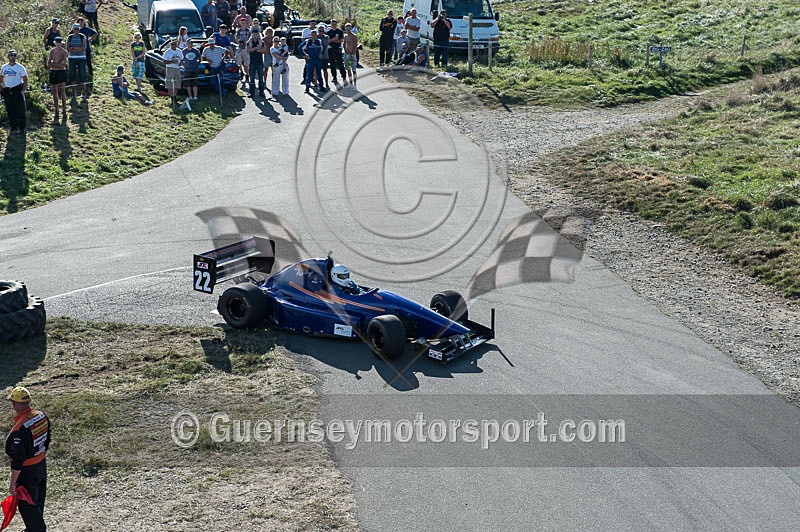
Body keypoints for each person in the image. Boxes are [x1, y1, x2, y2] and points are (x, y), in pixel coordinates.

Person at [5, 387, 51, 532]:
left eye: (13, 402)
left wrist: (12, 485)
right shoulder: (41, 416)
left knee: (29, 507)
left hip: (27, 474)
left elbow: (17, 462)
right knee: (37, 504)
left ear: (16, 404)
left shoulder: (19, 429)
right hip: (41, 467)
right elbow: (47, 440)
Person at [1, 51, 28, 132]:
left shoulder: (20, 67)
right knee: (10, 109)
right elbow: (1, 78)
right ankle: (13, 126)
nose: (12, 57)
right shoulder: (4, 67)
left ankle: (22, 127)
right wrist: (2, 88)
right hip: (7, 89)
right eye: (11, 55)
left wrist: (23, 89)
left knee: (20, 109)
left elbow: (25, 78)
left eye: (14, 55)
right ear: (8, 56)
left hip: (17, 89)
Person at [47, 37, 68, 119]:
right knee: (54, 92)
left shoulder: (64, 52)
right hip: (54, 72)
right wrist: (56, 64)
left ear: (61, 43)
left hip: (61, 72)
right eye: (57, 42)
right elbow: (48, 64)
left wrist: (54, 63)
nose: (58, 44)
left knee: (62, 91)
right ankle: (56, 110)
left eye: (60, 42)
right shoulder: (52, 51)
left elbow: (63, 64)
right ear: (55, 42)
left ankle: (64, 110)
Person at [66, 23, 88, 99]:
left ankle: (84, 92)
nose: (76, 31)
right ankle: (73, 92)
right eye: (75, 29)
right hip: (72, 58)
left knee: (82, 75)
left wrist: (73, 48)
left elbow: (83, 48)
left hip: (81, 58)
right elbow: (68, 49)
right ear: (72, 29)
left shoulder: (83, 36)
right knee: (72, 75)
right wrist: (78, 48)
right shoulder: (70, 37)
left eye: (77, 29)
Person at [246, 27, 266, 97]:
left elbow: (263, 50)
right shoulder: (249, 42)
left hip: (260, 62)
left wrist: (254, 50)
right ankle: (252, 93)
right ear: (252, 34)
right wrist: (256, 48)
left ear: (258, 34)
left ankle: (261, 93)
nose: (255, 36)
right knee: (251, 78)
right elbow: (248, 50)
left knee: (261, 78)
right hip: (252, 62)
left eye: (256, 34)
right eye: (254, 34)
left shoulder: (261, 42)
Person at [163, 39, 183, 104]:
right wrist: (172, 61)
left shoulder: (179, 51)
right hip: (170, 68)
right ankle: (171, 97)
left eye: (175, 44)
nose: (174, 45)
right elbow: (164, 61)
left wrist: (181, 63)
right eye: (172, 44)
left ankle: (175, 96)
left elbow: (182, 59)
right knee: (169, 82)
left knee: (177, 82)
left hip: (177, 68)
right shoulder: (167, 52)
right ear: (170, 45)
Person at [327, 19, 345, 85]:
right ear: (331, 24)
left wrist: (333, 41)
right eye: (332, 24)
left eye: (335, 24)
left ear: (336, 24)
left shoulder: (340, 31)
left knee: (340, 63)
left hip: (338, 49)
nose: (333, 25)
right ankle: (334, 77)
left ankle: (344, 76)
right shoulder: (328, 32)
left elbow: (341, 40)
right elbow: (328, 41)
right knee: (332, 64)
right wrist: (333, 40)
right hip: (331, 49)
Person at [234, 16, 251, 83]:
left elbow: (250, 39)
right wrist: (239, 41)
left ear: (246, 23)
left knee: (246, 63)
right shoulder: (238, 31)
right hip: (240, 48)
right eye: (242, 23)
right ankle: (241, 72)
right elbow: (236, 38)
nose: (243, 24)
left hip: (246, 48)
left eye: (244, 23)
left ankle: (247, 75)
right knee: (239, 61)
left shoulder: (248, 31)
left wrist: (247, 44)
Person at [343, 23, 357, 89]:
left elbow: (355, 46)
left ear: (351, 29)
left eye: (349, 28)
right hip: (347, 55)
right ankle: (350, 84)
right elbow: (344, 44)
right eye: (346, 28)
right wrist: (345, 51)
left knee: (353, 70)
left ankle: (355, 85)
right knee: (348, 69)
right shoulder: (346, 36)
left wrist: (352, 55)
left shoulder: (353, 36)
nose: (348, 29)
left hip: (352, 56)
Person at [317, 25, 330, 90]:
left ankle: (327, 83)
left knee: (325, 70)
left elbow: (325, 45)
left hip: (324, 56)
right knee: (317, 71)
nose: (321, 32)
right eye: (320, 31)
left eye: (322, 31)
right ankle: (318, 83)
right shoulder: (316, 37)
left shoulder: (326, 37)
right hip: (317, 56)